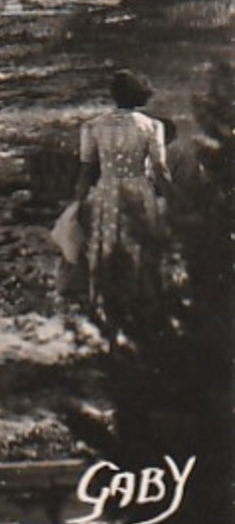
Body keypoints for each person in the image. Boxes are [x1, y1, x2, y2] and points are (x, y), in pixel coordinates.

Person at [65, 70, 171, 339]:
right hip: (138, 189)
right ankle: (144, 307)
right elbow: (159, 168)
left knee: (108, 244)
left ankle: (107, 309)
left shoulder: (93, 126)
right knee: (140, 243)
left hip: (108, 191)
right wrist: (175, 197)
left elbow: (86, 170)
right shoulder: (151, 126)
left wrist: (76, 204)